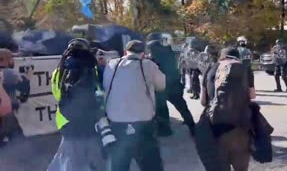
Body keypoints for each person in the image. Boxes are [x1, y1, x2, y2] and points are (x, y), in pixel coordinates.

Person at [103, 40, 166, 171]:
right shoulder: (148, 65)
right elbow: (161, 85)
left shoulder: (111, 65)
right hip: (143, 123)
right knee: (151, 163)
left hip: (116, 122)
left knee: (119, 163)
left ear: (126, 52)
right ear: (143, 53)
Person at [47, 38, 105, 171]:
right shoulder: (92, 68)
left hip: (65, 120)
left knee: (69, 155)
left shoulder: (59, 71)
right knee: (91, 156)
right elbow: (100, 90)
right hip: (89, 120)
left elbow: (57, 95)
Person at [200, 47, 252, 171]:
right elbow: (252, 95)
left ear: (220, 57)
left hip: (215, 123)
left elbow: (203, 101)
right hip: (239, 123)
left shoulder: (209, 69)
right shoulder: (244, 68)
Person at [147, 39, 195, 137]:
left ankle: (165, 130)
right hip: (174, 85)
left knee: (162, 109)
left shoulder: (154, 58)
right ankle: (192, 126)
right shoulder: (169, 53)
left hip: (162, 87)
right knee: (182, 107)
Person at [0, 48, 30, 145]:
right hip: (7, 116)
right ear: (7, 60)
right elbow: (24, 93)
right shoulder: (11, 73)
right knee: (19, 142)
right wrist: (27, 78)